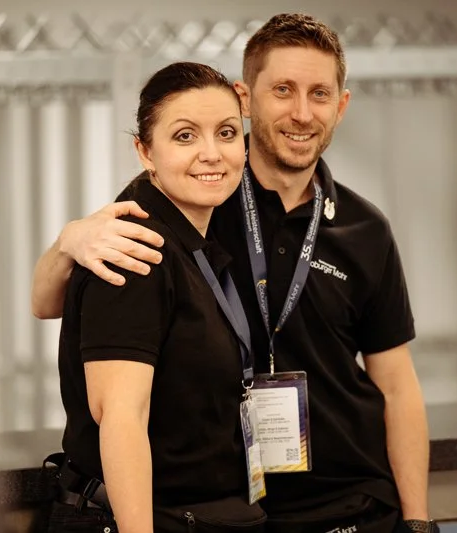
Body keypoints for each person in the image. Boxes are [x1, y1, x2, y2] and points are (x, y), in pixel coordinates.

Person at [33, 14, 439, 533]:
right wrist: (68, 240)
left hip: (346, 498)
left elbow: (398, 386)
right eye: (283, 90)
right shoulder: (187, 204)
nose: (301, 112)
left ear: (340, 105)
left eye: (319, 94)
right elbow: (56, 305)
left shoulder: (366, 228)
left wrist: (418, 521)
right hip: (236, 504)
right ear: (248, 99)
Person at [44, 61, 268, 533]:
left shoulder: (193, 235)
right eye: (185, 136)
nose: (212, 153)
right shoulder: (135, 250)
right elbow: (120, 417)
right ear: (145, 152)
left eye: (227, 133)